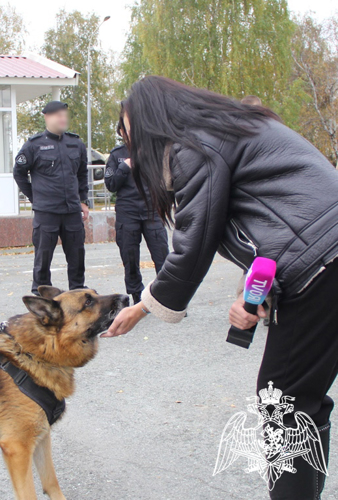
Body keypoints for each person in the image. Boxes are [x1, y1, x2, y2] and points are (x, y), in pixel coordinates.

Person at [103, 76, 338, 499]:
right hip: (324, 261)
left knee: (281, 404)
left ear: (149, 119)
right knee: (300, 399)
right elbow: (271, 227)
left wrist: (141, 307)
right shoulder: (231, 128)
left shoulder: (195, 145)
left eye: (125, 128)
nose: (127, 140)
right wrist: (252, 291)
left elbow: (195, 243)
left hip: (323, 267)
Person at [13, 101, 89, 295]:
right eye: (57, 115)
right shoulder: (34, 145)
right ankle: (41, 294)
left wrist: (83, 200)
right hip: (46, 212)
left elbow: (81, 174)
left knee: (77, 256)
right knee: (43, 257)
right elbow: (19, 173)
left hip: (72, 210)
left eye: (64, 114)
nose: (62, 118)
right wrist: (34, 198)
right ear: (47, 117)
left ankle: (78, 293)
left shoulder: (76, 144)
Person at [105, 118, 169, 304]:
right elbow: (111, 185)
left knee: (162, 256)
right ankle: (137, 297)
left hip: (151, 211)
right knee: (130, 258)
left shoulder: (155, 151)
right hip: (128, 212)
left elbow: (167, 179)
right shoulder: (117, 155)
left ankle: (167, 298)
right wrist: (124, 167)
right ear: (121, 132)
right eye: (127, 129)